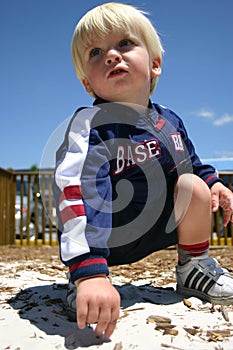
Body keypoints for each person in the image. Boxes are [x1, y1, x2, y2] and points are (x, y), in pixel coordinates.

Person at [53, 2, 233, 340]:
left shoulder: (170, 120)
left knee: (194, 184)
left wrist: (215, 184)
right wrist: (88, 269)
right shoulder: (90, 125)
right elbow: (75, 190)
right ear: (86, 83)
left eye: (124, 44)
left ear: (154, 65)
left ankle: (193, 267)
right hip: (107, 233)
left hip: (159, 227)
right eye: (95, 51)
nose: (111, 55)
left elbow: (191, 163)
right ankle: (88, 279)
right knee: (90, 254)